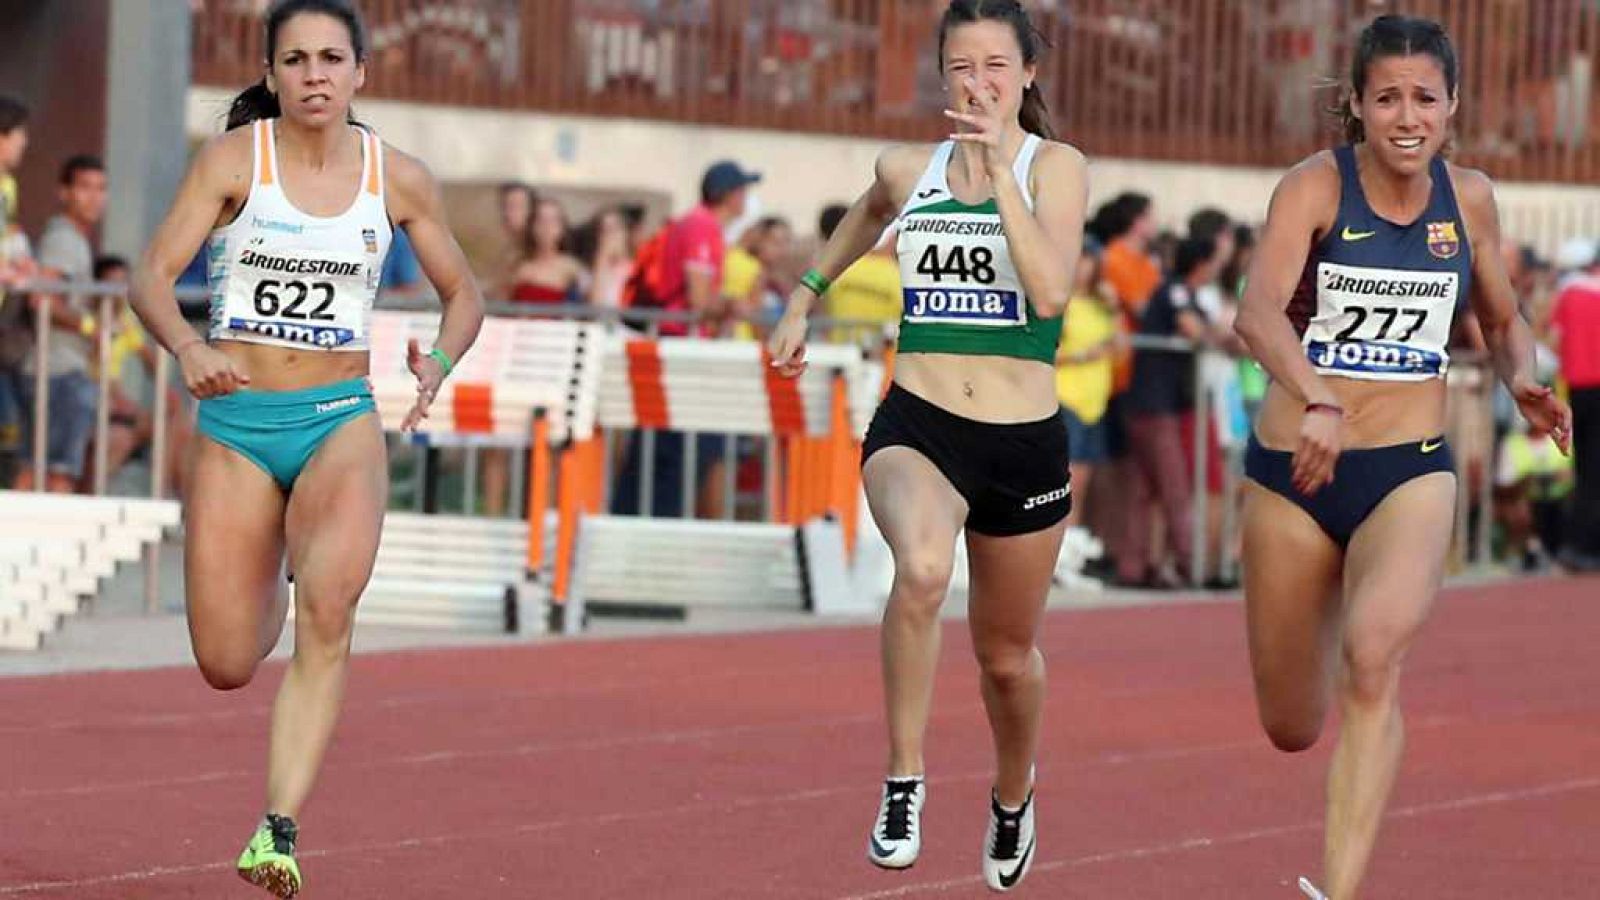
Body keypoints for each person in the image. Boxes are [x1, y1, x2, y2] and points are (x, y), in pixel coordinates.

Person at [129, 1, 484, 895]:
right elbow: (150, 277)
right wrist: (189, 347)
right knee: (227, 663)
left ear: (360, 72)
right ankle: (281, 562)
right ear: (272, 73)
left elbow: (465, 294)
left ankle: (277, 831)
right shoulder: (231, 161)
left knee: (331, 609)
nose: (314, 75)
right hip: (237, 425)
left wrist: (438, 363)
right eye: (295, 60)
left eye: (331, 58)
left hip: (338, 420)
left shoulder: (397, 177)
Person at [1231, 16, 1570, 899]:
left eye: (1425, 98)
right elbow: (1257, 313)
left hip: (1408, 470)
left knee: (1375, 658)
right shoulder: (1313, 187)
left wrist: (1522, 378)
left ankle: (1339, 892)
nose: (1407, 117)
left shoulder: (1471, 199)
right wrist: (1317, 396)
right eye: (1387, 98)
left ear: (1453, 105)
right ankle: (1323, 611)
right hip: (1296, 475)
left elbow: (1502, 319)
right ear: (1356, 103)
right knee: (1291, 724)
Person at [768, 0, 1086, 889]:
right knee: (920, 569)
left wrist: (999, 170)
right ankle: (903, 780)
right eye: (960, 68)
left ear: (1027, 75)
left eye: (995, 67)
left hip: (1022, 443)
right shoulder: (909, 168)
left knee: (1006, 660)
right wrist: (804, 295)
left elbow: (1051, 293)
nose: (977, 84)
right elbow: (868, 212)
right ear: (941, 76)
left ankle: (1014, 792)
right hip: (921, 423)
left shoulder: (1056, 169)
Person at [1116, 235, 1229, 588]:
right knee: (1172, 486)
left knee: (1145, 489)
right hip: (1156, 404)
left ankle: (1137, 565)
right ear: (1202, 264)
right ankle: (1188, 564)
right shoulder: (1175, 292)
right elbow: (1194, 329)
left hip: (1155, 403)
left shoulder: (1183, 294)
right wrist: (1220, 340)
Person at [15, 154, 108, 493]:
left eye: (100, 188)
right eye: (85, 187)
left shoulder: (73, 239)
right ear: (64, 192)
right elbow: (42, 299)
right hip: (58, 371)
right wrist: (90, 327)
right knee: (57, 474)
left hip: (55, 371)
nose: (94, 197)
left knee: (37, 468)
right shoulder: (64, 239)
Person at [1546, 248, 1600, 570]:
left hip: (1577, 388)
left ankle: (1577, 542)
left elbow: (1554, 340)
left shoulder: (1569, 294)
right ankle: (1586, 544)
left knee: (1585, 468)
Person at [0, 94, 33, 481]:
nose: (25, 142)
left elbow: (8, 232)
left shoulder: (8, 185)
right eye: (19, 134)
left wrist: (21, 261)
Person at [815, 202, 902, 347]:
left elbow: (821, 311)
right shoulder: (895, 273)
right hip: (882, 354)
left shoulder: (836, 268)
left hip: (840, 352)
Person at [508, 193, 582, 305]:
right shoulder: (518, 266)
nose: (547, 227)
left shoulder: (573, 268)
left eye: (553, 221)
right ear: (532, 225)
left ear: (562, 228)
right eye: (541, 220)